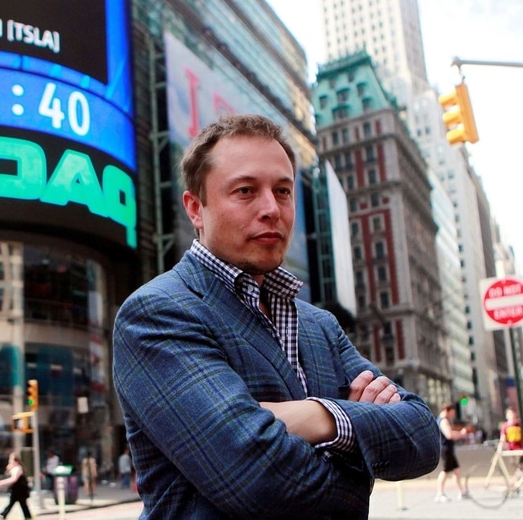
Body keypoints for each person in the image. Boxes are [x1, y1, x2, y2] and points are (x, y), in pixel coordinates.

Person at [112, 114, 441, 518]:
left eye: (283, 191)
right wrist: (362, 448)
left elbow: (423, 436)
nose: (272, 208)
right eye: (246, 191)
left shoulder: (321, 326)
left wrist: (318, 417)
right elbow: (258, 480)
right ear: (196, 208)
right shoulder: (158, 313)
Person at [436, 402, 469, 501]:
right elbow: (449, 434)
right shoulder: (443, 421)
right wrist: (461, 434)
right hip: (445, 449)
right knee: (445, 471)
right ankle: (440, 493)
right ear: (447, 410)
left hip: (448, 448)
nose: (452, 415)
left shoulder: (442, 420)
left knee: (456, 470)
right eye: (452, 413)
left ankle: (461, 491)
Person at [0, 453, 31, 519]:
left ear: (16, 461)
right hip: (16, 490)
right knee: (18, 503)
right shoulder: (14, 468)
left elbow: (14, 479)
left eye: (11, 459)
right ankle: (27, 516)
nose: (10, 461)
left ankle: (3, 514)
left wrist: (3, 482)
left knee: (19, 503)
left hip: (19, 490)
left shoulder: (18, 468)